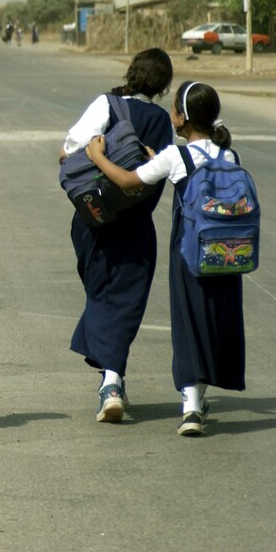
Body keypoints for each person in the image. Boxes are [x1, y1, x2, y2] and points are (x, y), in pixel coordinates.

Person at [87, 82, 246, 436]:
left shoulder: (177, 156)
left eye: (175, 109)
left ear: (182, 118)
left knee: (188, 324)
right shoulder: (228, 155)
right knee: (211, 323)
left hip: (189, 254)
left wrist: (97, 157)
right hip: (226, 255)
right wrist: (153, 158)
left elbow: (128, 181)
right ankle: (198, 398)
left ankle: (190, 408)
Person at [59, 48, 174, 423]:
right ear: (162, 85)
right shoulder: (162, 120)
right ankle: (112, 379)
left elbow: (70, 149)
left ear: (132, 72)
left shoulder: (106, 104)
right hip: (136, 226)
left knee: (100, 293)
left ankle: (110, 382)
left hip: (92, 221)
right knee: (124, 301)